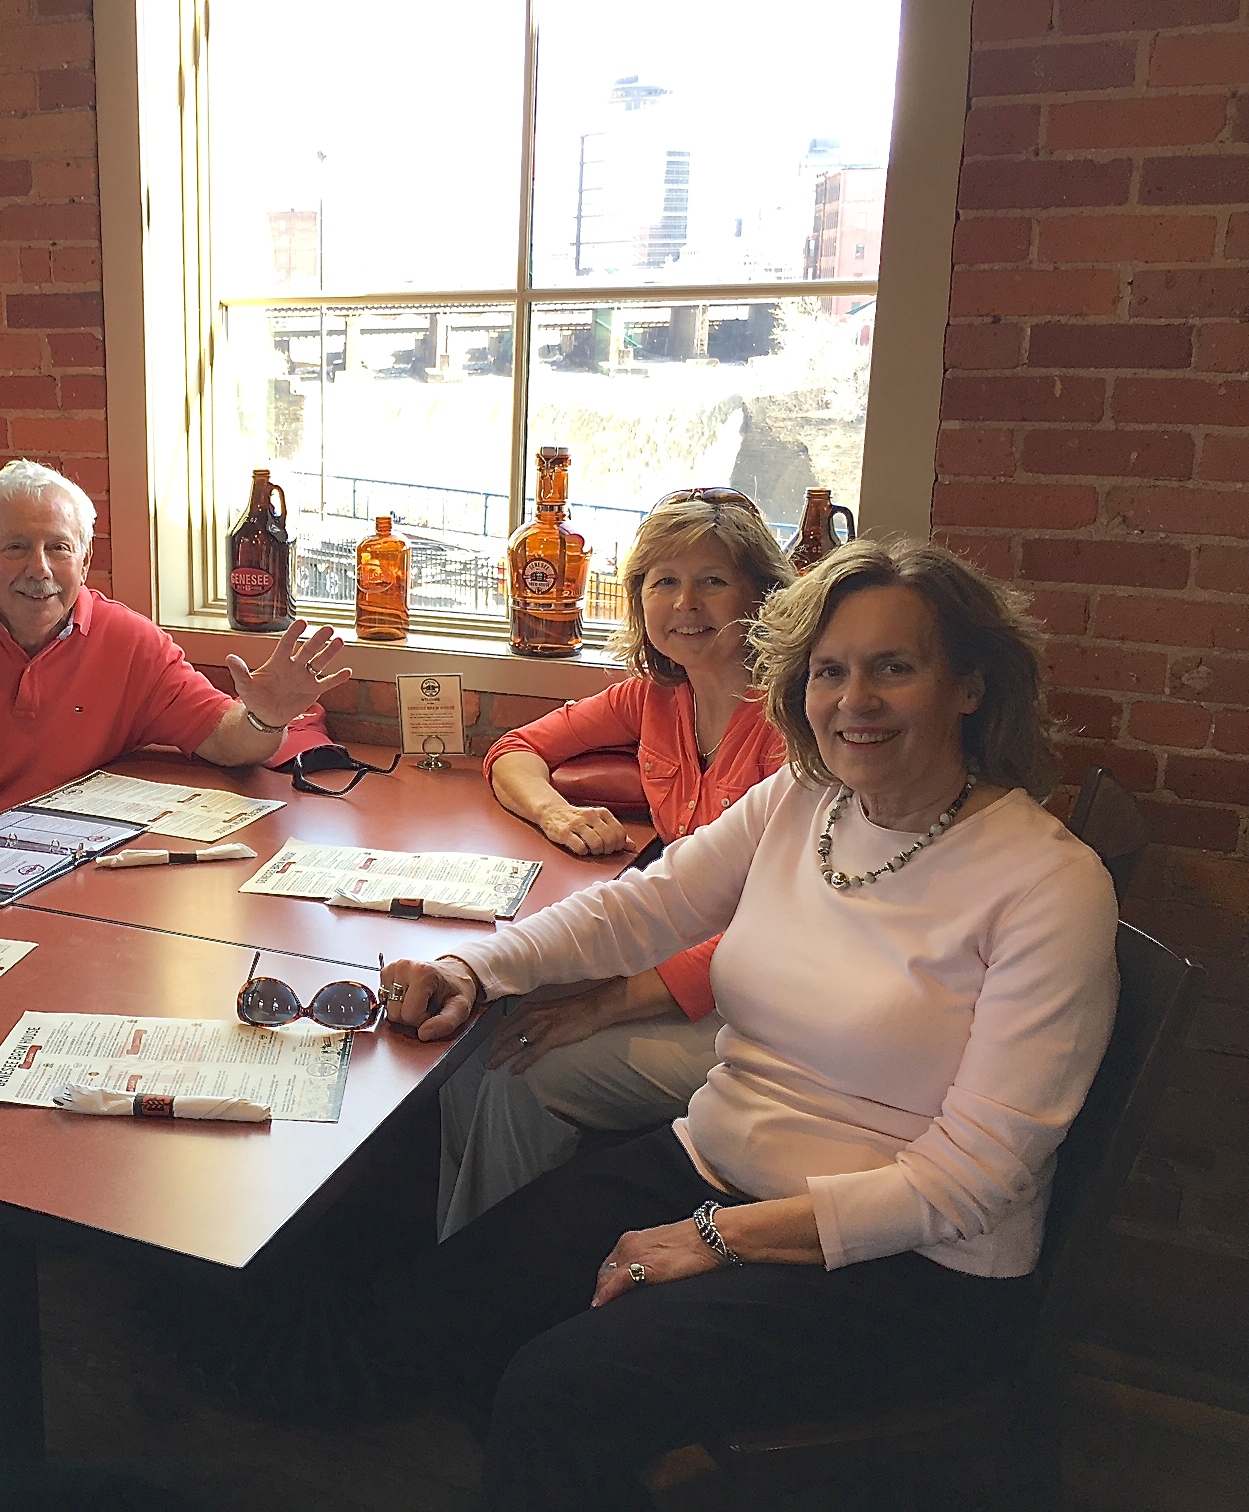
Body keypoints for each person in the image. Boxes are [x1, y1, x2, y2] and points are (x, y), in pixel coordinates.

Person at [381, 538, 1118, 1511]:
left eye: (894, 668)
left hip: (907, 1267)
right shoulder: (805, 799)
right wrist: (473, 963)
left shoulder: (1046, 883)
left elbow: (971, 1181)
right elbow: (640, 909)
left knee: (561, 1387)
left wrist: (721, 1240)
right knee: (468, 1294)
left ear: (971, 687)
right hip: (719, 1166)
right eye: (829, 672)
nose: (854, 700)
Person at [442, 490, 792, 1236]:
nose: (684, 603)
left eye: (712, 580)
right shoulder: (654, 698)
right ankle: (457, 1248)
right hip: (667, 959)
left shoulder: (792, 728)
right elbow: (514, 752)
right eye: (662, 581)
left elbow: (772, 932)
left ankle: (496, 1272)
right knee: (480, 1030)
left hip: (756, 1009)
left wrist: (606, 1000)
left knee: (514, 1073)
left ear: (762, 596)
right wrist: (557, 814)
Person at [0, 458, 352, 846]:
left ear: (86, 560)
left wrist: (265, 717)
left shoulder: (131, 645)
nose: (39, 570)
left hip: (62, 878)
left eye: (58, 548)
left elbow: (228, 739)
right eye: (16, 547)